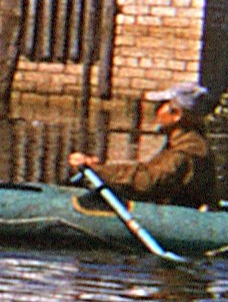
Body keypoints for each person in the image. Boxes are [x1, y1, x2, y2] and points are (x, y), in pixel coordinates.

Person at [69, 81, 218, 208]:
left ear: (176, 114)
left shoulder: (188, 151)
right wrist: (101, 167)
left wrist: (98, 171)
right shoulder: (182, 144)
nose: (156, 111)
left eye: (161, 105)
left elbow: (148, 181)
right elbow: (145, 170)